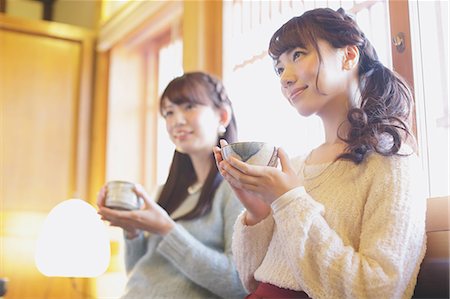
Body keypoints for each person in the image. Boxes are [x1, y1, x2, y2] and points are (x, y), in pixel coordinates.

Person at [213, 7, 427, 299]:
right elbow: (250, 278)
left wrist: (288, 201)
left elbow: (378, 290)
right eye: (279, 68)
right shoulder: (298, 166)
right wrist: (257, 210)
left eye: (298, 55)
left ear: (349, 56)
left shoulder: (393, 162)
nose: (285, 78)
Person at [97, 72, 247, 298]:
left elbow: (237, 283)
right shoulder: (167, 191)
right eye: (168, 112)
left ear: (223, 116)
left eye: (189, 106)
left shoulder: (237, 187)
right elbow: (140, 271)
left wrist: (166, 229)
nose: (177, 120)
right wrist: (132, 230)